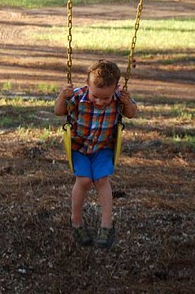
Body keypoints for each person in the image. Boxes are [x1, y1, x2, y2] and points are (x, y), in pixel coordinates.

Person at [54, 59, 137, 250]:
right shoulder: (77, 96)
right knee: (83, 180)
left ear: (116, 87)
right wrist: (62, 96)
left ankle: (107, 225)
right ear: (87, 83)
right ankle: (76, 221)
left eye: (105, 98)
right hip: (79, 148)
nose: (100, 102)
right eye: (95, 96)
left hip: (103, 149)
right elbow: (58, 111)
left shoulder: (119, 97)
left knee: (101, 180)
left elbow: (132, 113)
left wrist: (127, 102)